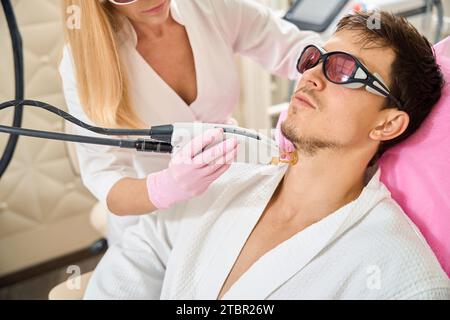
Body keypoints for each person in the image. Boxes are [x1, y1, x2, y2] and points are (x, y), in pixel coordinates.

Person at [83, 11, 450, 299]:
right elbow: (135, 261)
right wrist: (162, 187)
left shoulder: (398, 274)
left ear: (387, 125)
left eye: (344, 69)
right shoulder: (224, 182)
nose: (309, 77)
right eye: (313, 59)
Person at [59, 0, 321, 244]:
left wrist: (310, 94)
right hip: (151, 220)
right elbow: (106, 180)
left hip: (235, 186)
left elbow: (294, 49)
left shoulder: (208, 6)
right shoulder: (83, 61)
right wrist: (164, 187)